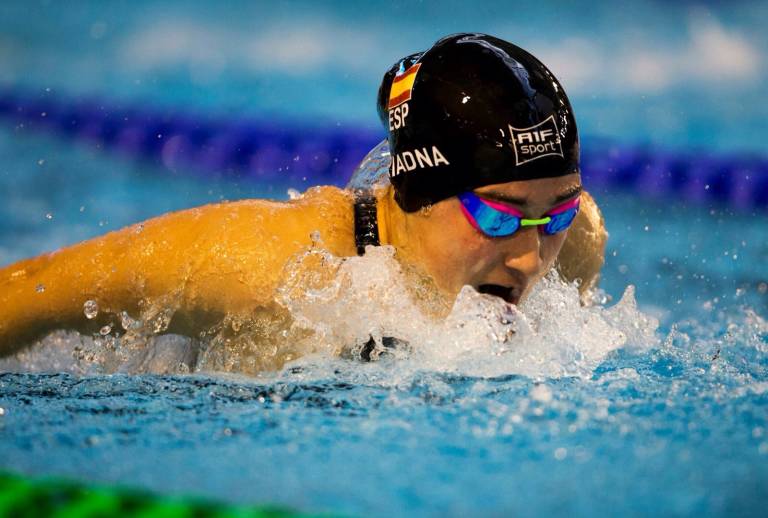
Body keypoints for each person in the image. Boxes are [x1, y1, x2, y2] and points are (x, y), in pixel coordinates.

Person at [0, 34, 606, 367]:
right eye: (498, 215)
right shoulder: (269, 267)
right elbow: (29, 287)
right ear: (420, 190)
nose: (532, 257)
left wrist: (551, 221)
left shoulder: (575, 243)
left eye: (554, 213)